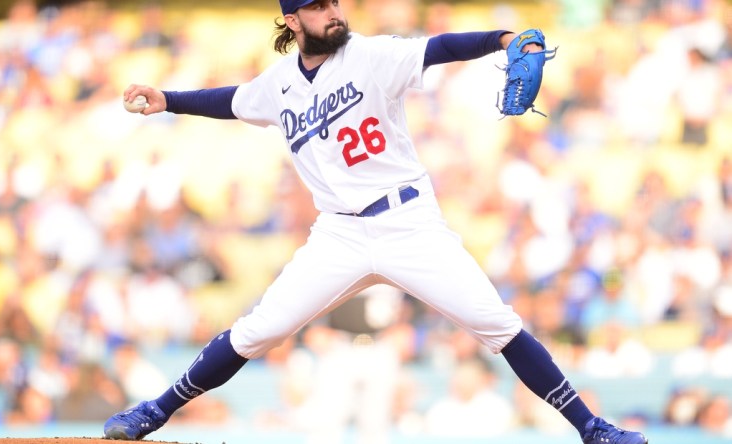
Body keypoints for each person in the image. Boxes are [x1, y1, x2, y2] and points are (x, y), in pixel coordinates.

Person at [103, 1, 649, 443]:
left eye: (334, 2)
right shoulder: (278, 84)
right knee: (259, 330)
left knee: (496, 324)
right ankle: (155, 411)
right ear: (293, 22)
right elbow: (233, 100)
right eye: (318, 7)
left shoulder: (371, 55)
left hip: (408, 220)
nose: (333, 12)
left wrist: (506, 39)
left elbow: (441, 48)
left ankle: (591, 428)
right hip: (338, 233)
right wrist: (168, 99)